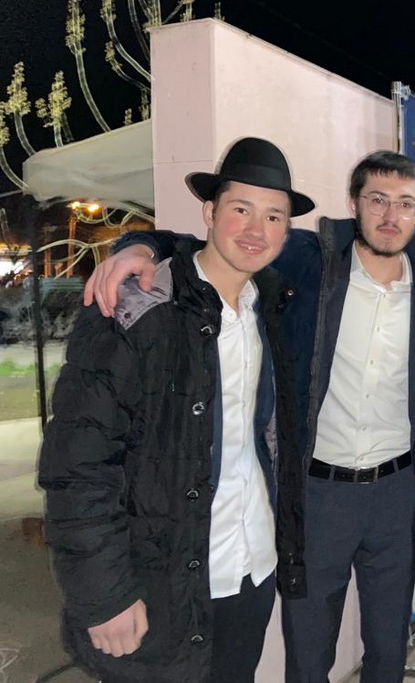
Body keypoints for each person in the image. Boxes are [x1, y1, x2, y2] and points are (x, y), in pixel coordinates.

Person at [82, 150, 415, 683]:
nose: (389, 215)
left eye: (404, 204)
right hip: (317, 492)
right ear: (352, 203)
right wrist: (138, 246)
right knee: (308, 648)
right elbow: (217, 244)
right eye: (377, 199)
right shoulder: (309, 260)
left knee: (388, 641)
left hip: (398, 494)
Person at [39, 137, 307, 682]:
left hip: (251, 569)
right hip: (161, 581)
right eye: (240, 209)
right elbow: (78, 463)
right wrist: (103, 596)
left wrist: (143, 242)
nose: (256, 230)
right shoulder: (139, 306)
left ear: (286, 230)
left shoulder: (271, 307)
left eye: (273, 216)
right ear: (209, 212)